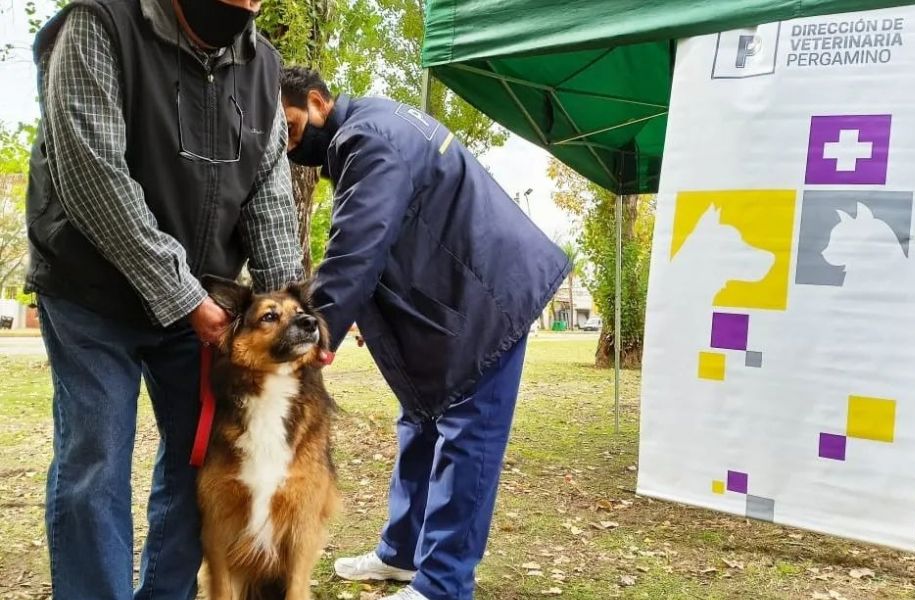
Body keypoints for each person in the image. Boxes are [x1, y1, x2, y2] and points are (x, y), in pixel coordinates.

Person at [25, 0, 302, 598]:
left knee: (200, 464)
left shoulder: (263, 67)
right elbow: (91, 170)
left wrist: (290, 316)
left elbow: (270, 199)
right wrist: (180, 292)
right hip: (91, 291)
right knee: (96, 460)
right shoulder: (98, 23)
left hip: (203, 307)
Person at [281, 67, 569, 600]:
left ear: (318, 102)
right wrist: (380, 315)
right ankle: (403, 554)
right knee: (421, 421)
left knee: (467, 433)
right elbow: (403, 230)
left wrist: (316, 333)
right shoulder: (373, 125)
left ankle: (442, 585)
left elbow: (357, 245)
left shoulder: (366, 138)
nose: (290, 146)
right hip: (464, 288)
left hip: (490, 299)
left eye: (292, 129)